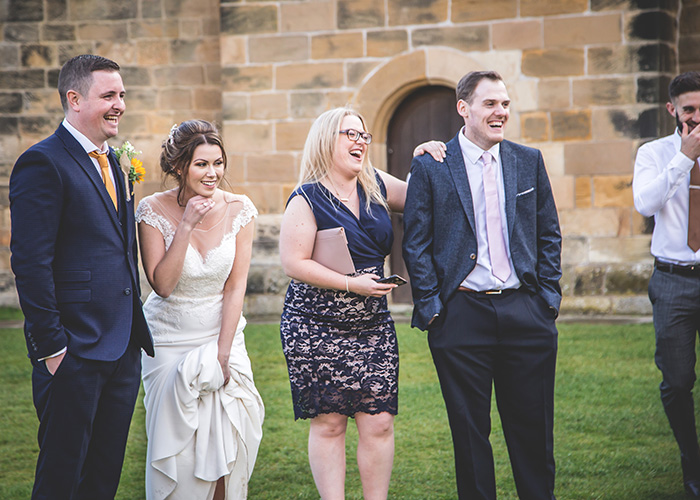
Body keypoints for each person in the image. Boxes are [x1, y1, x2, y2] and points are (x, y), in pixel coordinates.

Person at [403, 70, 562, 500]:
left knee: (534, 434)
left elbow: (548, 232)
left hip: (526, 312)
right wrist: (435, 308)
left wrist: (548, 298)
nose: (501, 112)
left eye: (505, 104)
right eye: (491, 104)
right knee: (471, 438)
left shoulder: (527, 160)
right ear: (464, 108)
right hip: (461, 316)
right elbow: (415, 243)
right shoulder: (431, 164)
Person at [9, 54, 154, 499]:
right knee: (61, 478)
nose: (120, 105)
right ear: (74, 99)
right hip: (73, 351)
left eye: (122, 95)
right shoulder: (42, 163)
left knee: (103, 477)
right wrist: (53, 348)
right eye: (108, 95)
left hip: (123, 346)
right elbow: (30, 263)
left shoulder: (117, 161)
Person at [278, 107, 409, 500]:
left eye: (364, 135)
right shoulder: (307, 197)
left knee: (380, 422)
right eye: (349, 133)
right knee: (330, 423)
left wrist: (428, 153)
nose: (360, 141)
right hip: (316, 324)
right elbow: (293, 263)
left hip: (372, 325)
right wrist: (352, 285)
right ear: (325, 140)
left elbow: (429, 194)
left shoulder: (377, 185)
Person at [135, 119, 264, 500]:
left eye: (218, 163)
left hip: (222, 335)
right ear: (179, 167)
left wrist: (223, 353)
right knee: (181, 458)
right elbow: (163, 284)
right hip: (169, 343)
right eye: (202, 164)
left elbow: (236, 285)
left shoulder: (240, 209)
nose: (213, 174)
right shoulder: (151, 211)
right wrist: (187, 224)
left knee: (229, 446)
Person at [633, 71, 700, 499]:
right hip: (674, 279)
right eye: (690, 109)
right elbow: (645, 203)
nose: (698, 116)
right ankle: (691, 461)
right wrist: (685, 158)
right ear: (673, 109)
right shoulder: (654, 153)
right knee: (676, 381)